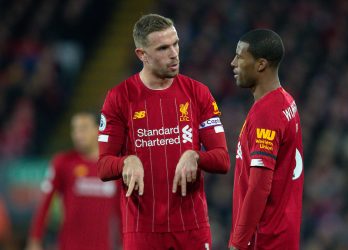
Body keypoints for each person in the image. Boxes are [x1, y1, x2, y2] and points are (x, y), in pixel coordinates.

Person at [97, 13, 230, 250]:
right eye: (163, 48)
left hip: (192, 228)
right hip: (142, 231)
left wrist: (195, 156)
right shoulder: (119, 98)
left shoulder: (198, 93)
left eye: (176, 44)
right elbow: (104, 166)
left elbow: (222, 160)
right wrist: (126, 162)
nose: (174, 54)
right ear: (142, 55)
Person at [229, 29, 304, 250]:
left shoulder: (266, 115)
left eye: (240, 57)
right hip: (282, 233)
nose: (233, 62)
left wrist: (238, 242)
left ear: (261, 64)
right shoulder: (286, 101)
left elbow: (259, 187)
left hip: (264, 239)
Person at [26, 112, 120, 250]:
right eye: (74, 129)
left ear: (99, 130)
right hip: (69, 246)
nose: (77, 135)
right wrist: (35, 239)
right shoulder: (62, 163)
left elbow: (122, 213)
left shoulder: (114, 167)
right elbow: (45, 204)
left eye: (83, 128)